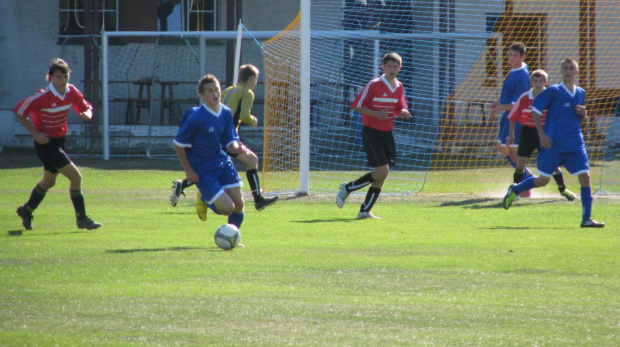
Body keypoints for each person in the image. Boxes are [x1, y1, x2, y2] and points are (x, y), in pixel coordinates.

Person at [503, 58, 605, 228]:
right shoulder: (553, 91)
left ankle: (586, 219)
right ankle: (514, 189)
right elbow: (536, 111)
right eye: (565, 68)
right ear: (561, 71)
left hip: (575, 144)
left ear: (576, 72)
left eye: (571, 68)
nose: (568, 71)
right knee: (543, 180)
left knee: (585, 177)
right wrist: (541, 134)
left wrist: (584, 114)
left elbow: (579, 120)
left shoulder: (580, 92)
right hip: (553, 144)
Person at [170, 64, 278, 211]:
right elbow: (244, 115)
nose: (256, 82)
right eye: (256, 78)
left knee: (237, 163)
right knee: (252, 160)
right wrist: (254, 121)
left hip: (222, 136)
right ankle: (257, 199)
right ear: (251, 79)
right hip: (226, 139)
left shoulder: (230, 89)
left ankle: (183, 185)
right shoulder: (247, 93)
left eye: (216, 90)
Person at [14, 58, 101, 230]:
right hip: (45, 143)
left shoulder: (71, 92)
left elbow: (86, 107)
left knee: (48, 181)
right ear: (51, 78)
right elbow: (19, 112)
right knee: (76, 177)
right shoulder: (42, 96)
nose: (63, 80)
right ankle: (82, 219)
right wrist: (34, 133)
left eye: (65, 76)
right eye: (59, 77)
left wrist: (87, 114)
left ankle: (26, 210)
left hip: (59, 141)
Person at [336, 52, 411, 219]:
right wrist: (376, 114)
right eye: (389, 66)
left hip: (387, 133)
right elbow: (357, 105)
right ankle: (348, 188)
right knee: (382, 170)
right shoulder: (374, 84)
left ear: (400, 68)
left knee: (383, 174)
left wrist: (403, 112)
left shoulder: (399, 86)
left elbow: (399, 108)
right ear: (383, 67)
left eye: (395, 66)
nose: (392, 69)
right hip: (371, 131)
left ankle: (364, 210)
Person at [173, 74, 246, 227]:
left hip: (221, 161)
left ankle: (233, 238)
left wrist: (240, 148)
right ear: (202, 95)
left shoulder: (225, 113)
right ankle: (204, 199)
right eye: (210, 91)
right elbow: (179, 144)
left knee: (239, 204)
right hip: (203, 168)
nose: (215, 94)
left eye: (217, 90)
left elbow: (230, 142)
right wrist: (189, 170)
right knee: (227, 208)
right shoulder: (196, 117)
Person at [506, 69, 576, 201]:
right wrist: (510, 135)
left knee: (553, 163)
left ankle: (563, 189)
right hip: (527, 132)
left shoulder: (550, 97)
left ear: (546, 82)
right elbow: (513, 117)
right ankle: (515, 192)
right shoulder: (525, 97)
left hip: (545, 132)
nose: (538, 83)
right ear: (531, 82)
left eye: (541, 81)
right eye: (535, 81)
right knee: (521, 162)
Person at [489, 42, 533, 198]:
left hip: (516, 119)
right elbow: (509, 96)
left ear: (522, 57)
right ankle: (527, 180)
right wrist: (498, 103)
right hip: (508, 118)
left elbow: (517, 105)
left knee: (512, 151)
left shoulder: (521, 76)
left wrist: (499, 108)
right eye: (510, 55)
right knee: (503, 148)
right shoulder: (515, 70)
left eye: (515, 55)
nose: (511, 58)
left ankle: (527, 182)